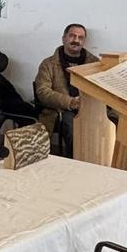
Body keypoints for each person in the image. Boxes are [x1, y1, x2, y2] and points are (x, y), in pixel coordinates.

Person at [34, 24, 98, 157]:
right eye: (72, 36)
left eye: (81, 37)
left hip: (91, 108)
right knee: (74, 129)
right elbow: (42, 92)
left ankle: (98, 164)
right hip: (62, 110)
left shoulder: (95, 63)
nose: (76, 40)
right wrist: (70, 102)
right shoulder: (48, 64)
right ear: (63, 38)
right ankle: (76, 163)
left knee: (110, 125)